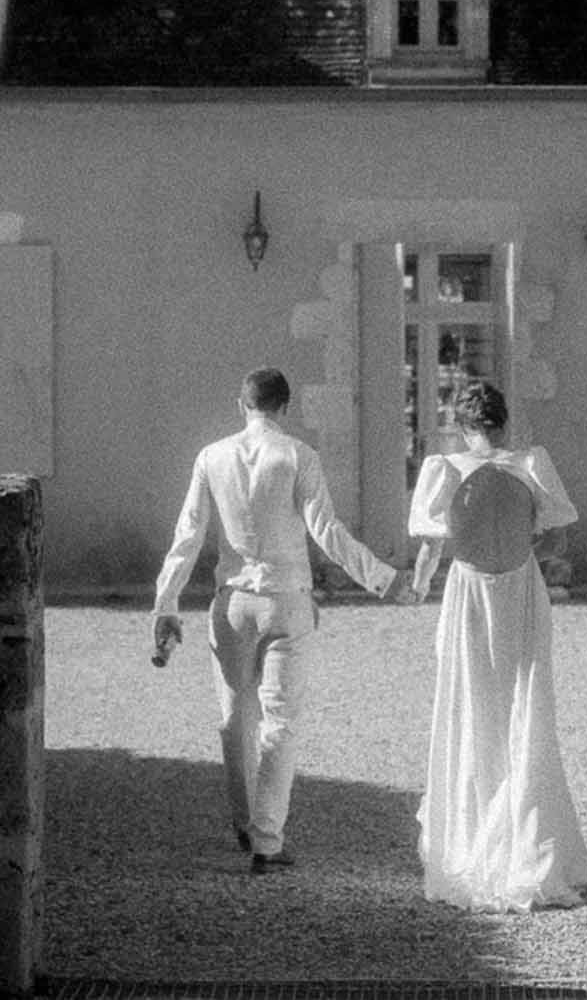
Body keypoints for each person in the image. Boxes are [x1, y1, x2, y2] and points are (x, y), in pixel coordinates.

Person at [152, 366, 418, 875]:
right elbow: (328, 533)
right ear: (285, 407)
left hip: (230, 602)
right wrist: (385, 579)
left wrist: (165, 604)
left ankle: (242, 821)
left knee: (235, 721)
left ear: (241, 405)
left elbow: (187, 536)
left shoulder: (212, 456)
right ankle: (267, 838)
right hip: (286, 600)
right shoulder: (298, 455)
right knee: (281, 723)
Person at [406, 381, 587, 911]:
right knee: (524, 709)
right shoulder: (531, 464)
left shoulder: (441, 471)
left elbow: (430, 550)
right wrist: (521, 537)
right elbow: (556, 539)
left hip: (468, 593)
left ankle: (468, 841)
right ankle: (526, 843)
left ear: (460, 426)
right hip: (519, 592)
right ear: (503, 423)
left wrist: (414, 590)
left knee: (471, 710)